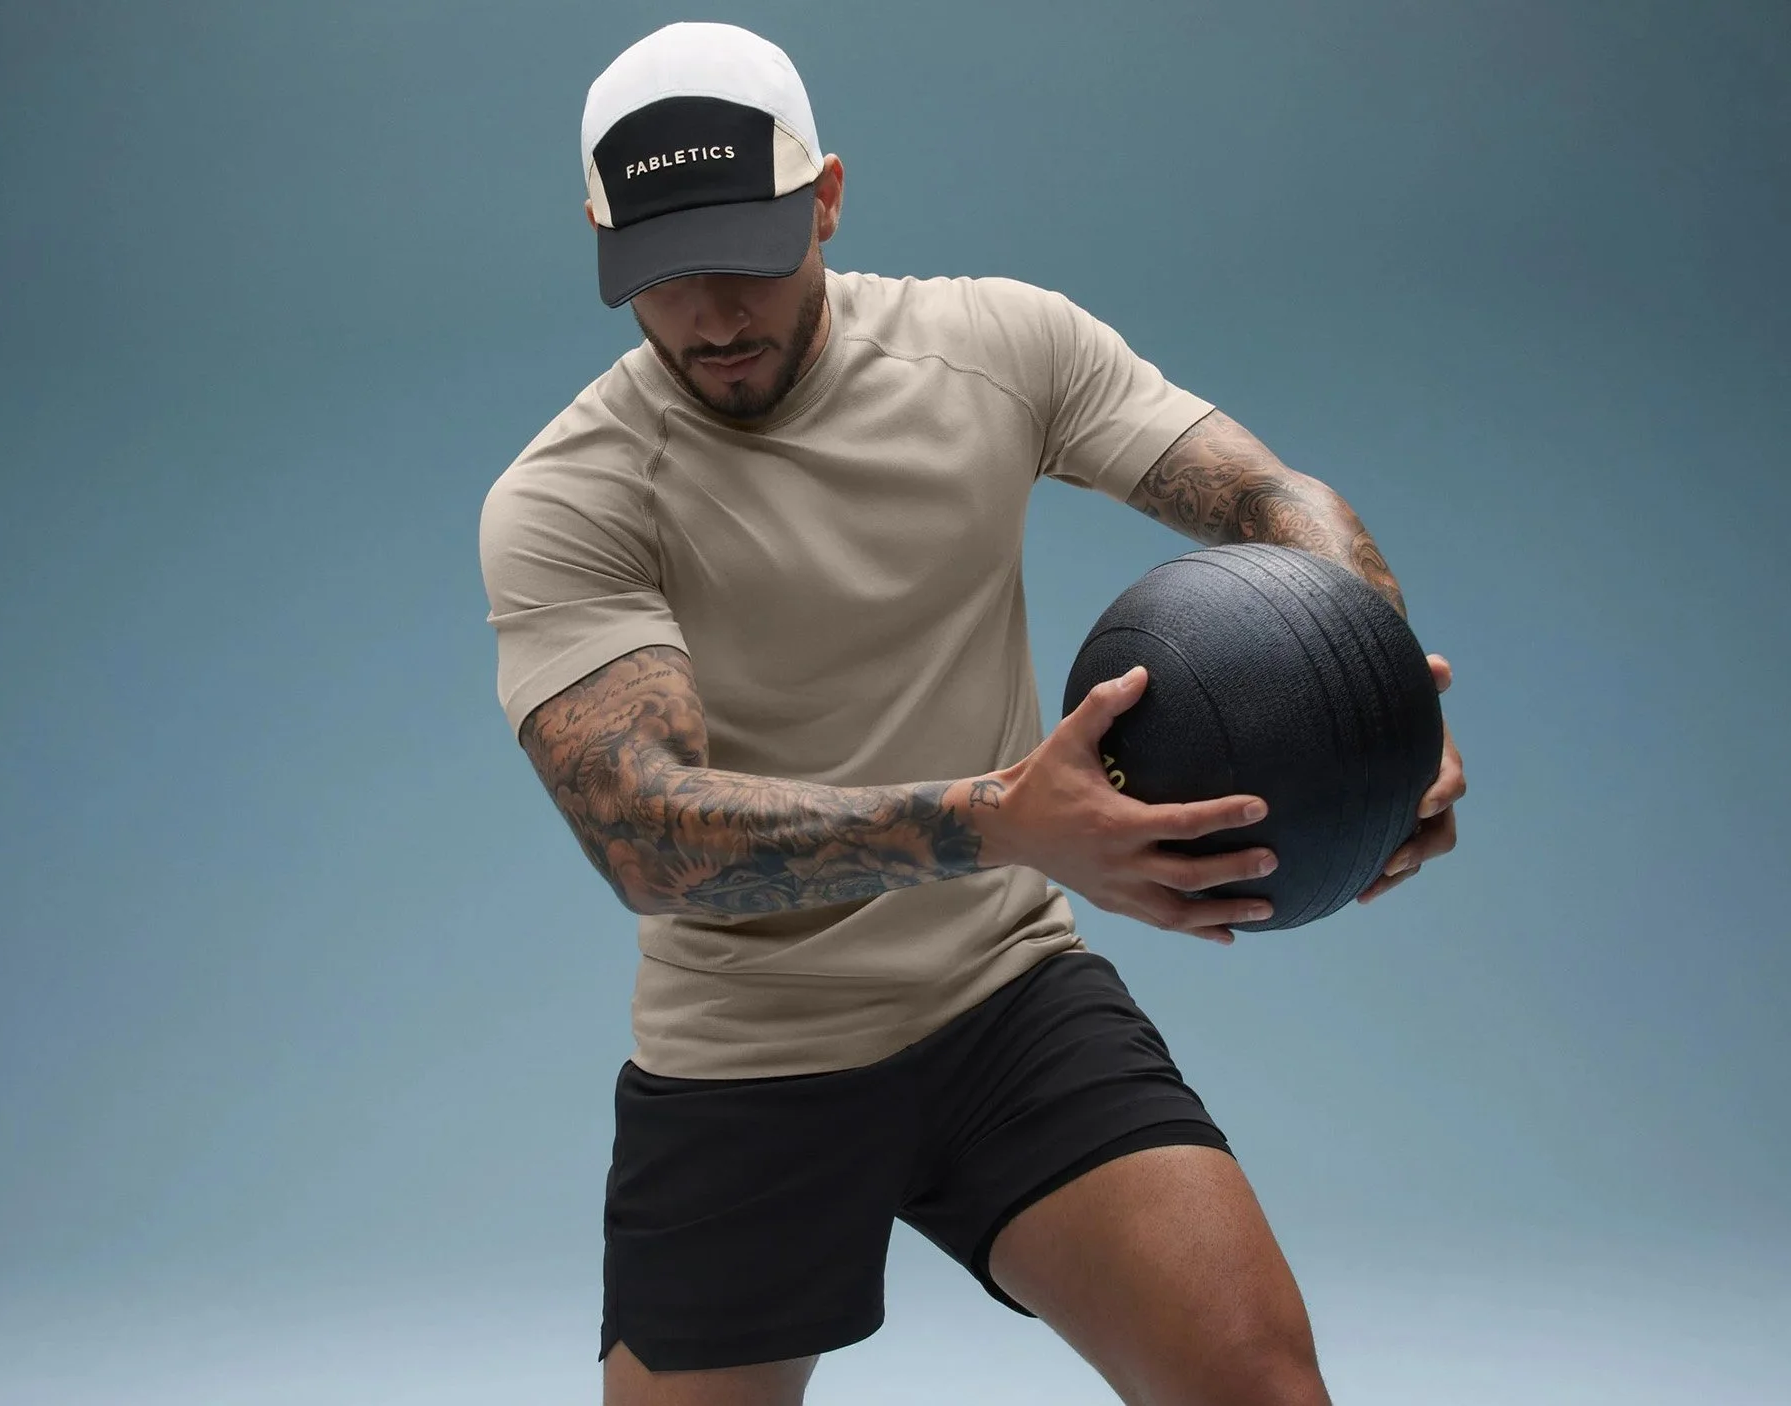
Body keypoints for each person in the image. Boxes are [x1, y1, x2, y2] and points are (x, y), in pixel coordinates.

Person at [476, 22, 1465, 1406]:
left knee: (1261, 1386)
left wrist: (1377, 699)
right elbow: (651, 832)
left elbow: (1269, 502)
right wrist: (1005, 821)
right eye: (659, 272)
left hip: (1005, 1000)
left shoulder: (998, 345)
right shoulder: (568, 498)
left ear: (824, 198)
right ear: (601, 240)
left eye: (746, 256)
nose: (709, 314)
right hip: (747, 1052)